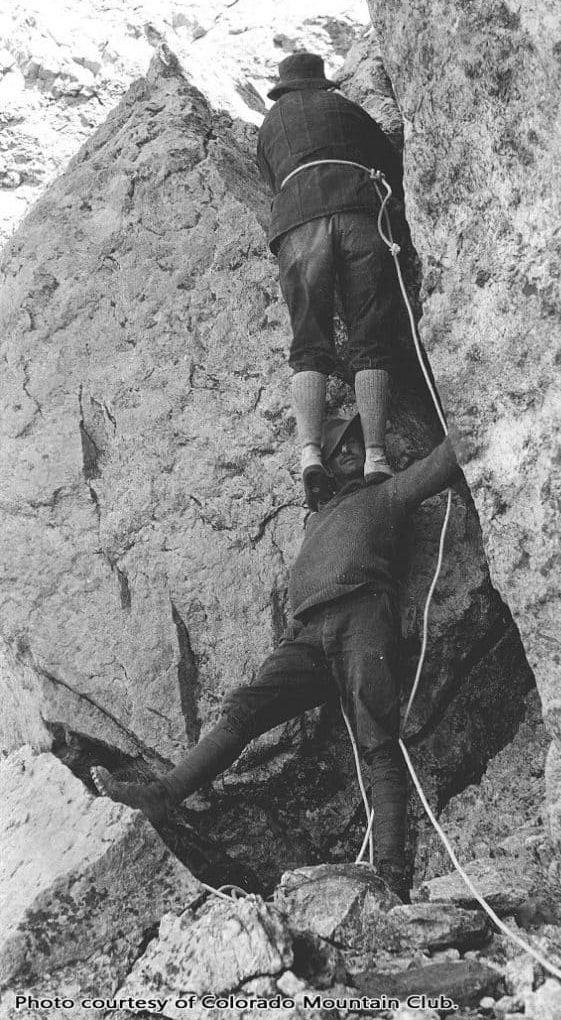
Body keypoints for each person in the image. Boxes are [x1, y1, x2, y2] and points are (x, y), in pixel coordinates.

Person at [91, 419, 460, 899]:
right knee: (243, 708)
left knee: (379, 744)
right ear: (322, 466)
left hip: (362, 614)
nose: (348, 447)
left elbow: (446, 461)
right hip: (305, 634)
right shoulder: (316, 521)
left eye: (354, 439)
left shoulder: (387, 493)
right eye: (335, 446)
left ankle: (390, 879)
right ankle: (161, 796)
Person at [256, 52, 407, 510]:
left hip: (300, 224)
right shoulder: (348, 110)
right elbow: (390, 164)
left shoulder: (271, 125)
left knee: (310, 340)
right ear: (323, 84)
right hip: (361, 212)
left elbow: (272, 182)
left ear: (283, 88)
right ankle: (376, 457)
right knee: (370, 332)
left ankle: (309, 453)